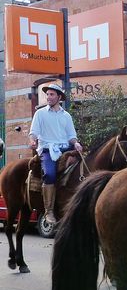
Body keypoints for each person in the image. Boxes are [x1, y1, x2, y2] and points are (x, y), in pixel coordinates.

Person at [29, 84, 83, 224]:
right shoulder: (40, 113)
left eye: (52, 94)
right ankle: (49, 211)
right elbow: (33, 132)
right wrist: (33, 141)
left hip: (66, 148)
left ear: (59, 97)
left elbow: (72, 135)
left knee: (83, 167)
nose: (48, 97)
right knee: (50, 174)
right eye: (47, 94)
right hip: (48, 150)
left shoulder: (66, 116)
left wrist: (76, 143)